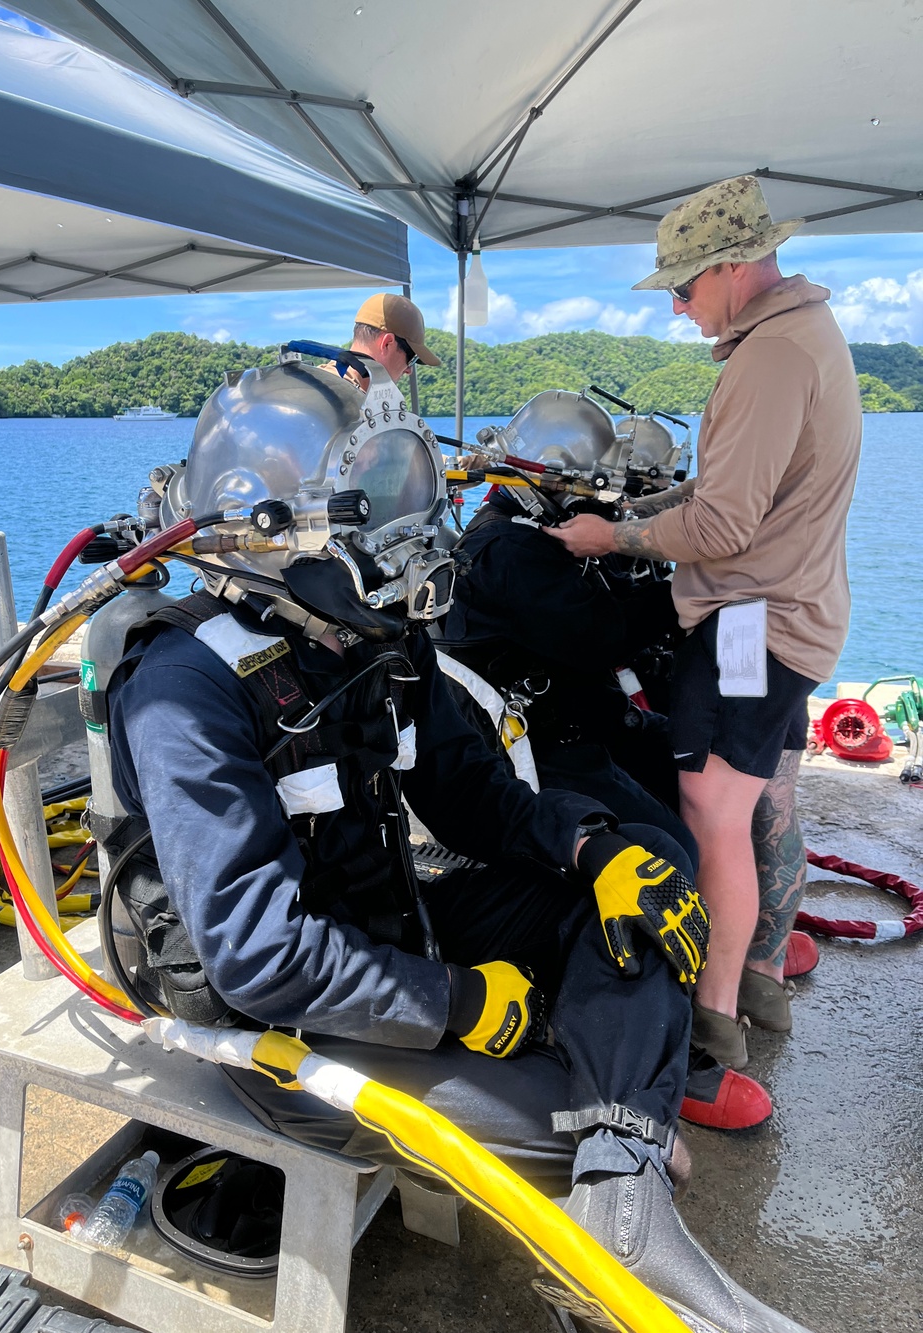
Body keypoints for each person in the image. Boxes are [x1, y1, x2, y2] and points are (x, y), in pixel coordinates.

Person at [103, 354, 814, 1333]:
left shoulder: (360, 637)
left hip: (389, 923)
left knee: (638, 892)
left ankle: (618, 1206)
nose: (403, 563)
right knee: (596, 1119)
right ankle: (621, 1191)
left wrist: (589, 850)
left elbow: (474, 797)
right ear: (281, 529)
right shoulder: (183, 682)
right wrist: (459, 1002)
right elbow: (256, 955)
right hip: (273, 1019)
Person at [545, 175, 861, 1075]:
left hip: (749, 622)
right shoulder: (806, 334)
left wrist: (614, 534)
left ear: (730, 266)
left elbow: (723, 530)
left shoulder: (769, 359)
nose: (679, 307)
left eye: (684, 288)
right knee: (753, 800)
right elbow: (730, 494)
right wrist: (659, 501)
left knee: (712, 813)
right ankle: (757, 978)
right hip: (791, 608)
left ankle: (714, 1023)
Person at [440, 481, 774, 1132]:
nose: (611, 507)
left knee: (711, 790)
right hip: (552, 749)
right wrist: (693, 589)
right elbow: (598, 634)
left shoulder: (539, 541)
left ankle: (742, 953)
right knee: (683, 842)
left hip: (604, 719)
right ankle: (691, 1036)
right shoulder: (509, 550)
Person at [329, 291, 440, 387]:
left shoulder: (322, 381)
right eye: (411, 358)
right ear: (387, 343)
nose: (409, 370)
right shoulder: (350, 402)